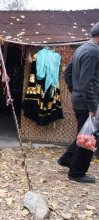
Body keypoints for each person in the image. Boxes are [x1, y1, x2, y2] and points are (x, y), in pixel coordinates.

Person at [57, 22, 99, 183]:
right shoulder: (93, 52)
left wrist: (74, 91)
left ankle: (67, 159)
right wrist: (92, 106)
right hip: (87, 101)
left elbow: (67, 72)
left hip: (80, 98)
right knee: (90, 136)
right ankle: (77, 173)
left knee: (84, 132)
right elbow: (88, 81)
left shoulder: (81, 48)